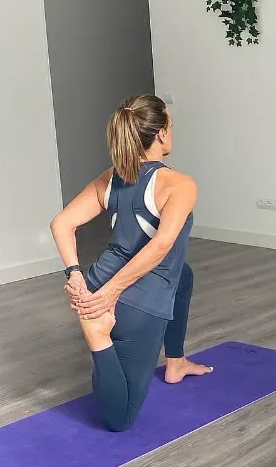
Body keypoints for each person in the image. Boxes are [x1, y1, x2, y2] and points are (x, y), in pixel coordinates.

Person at [50, 94, 212, 432]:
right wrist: (111, 292)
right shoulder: (179, 184)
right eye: (170, 125)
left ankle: (176, 361)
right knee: (119, 418)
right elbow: (162, 244)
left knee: (183, 277)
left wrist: (76, 275)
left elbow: (62, 223)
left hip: (97, 281)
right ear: (161, 134)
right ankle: (98, 335)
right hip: (136, 300)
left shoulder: (112, 177)